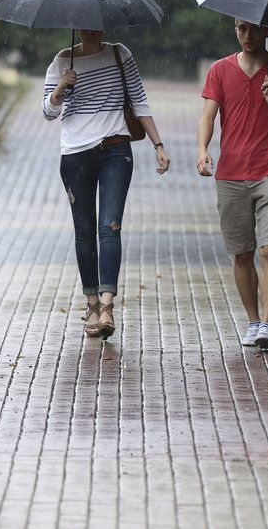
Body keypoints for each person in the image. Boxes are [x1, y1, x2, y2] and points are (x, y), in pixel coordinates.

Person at [43, 29, 170, 339]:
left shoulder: (119, 54)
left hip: (115, 150)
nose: (90, 30)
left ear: (103, 25)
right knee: (84, 231)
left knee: (109, 226)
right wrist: (62, 87)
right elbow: (48, 111)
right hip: (75, 155)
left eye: (96, 23)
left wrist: (158, 145)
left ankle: (107, 305)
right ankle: (91, 304)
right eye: (84, 23)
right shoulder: (61, 61)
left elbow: (139, 101)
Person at [196, 20, 268, 350]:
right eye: (242, 29)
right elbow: (208, 115)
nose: (249, 36)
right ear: (234, 29)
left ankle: (267, 326)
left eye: (255, 29)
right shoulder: (220, 70)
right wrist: (202, 149)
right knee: (242, 254)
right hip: (231, 173)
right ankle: (253, 320)